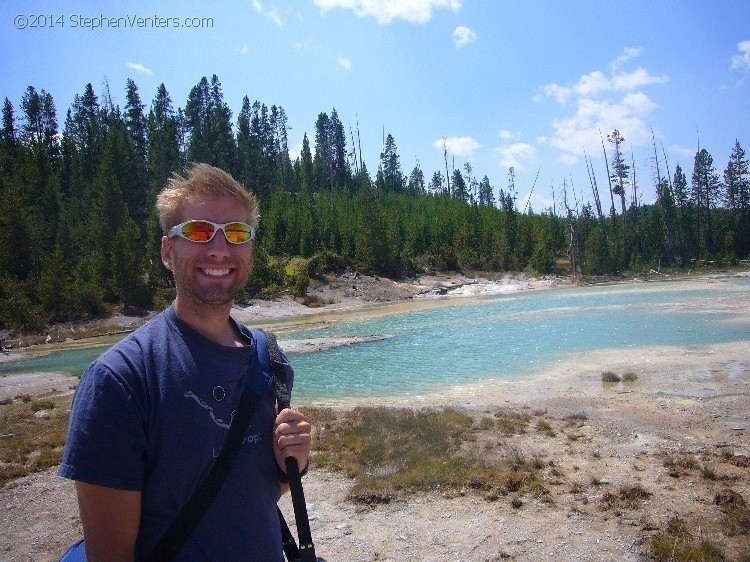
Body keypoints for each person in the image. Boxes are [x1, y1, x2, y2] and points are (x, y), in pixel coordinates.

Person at [59, 163, 312, 561]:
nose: (219, 248)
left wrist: (287, 466)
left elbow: (250, 492)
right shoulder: (119, 380)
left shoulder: (270, 360)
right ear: (167, 250)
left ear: (249, 249)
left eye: (236, 233)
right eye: (198, 231)